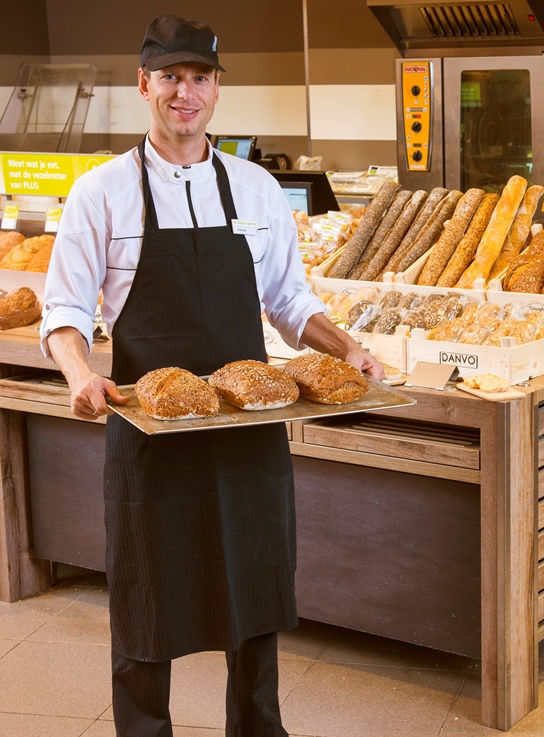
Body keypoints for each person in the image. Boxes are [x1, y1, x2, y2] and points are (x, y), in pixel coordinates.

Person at [40, 15, 382, 737]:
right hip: (149, 430)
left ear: (218, 89)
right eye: (171, 77)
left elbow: (290, 301)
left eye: (199, 78)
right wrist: (79, 371)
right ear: (145, 85)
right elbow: (64, 309)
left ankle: (258, 728)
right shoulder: (100, 193)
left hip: (248, 434)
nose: (185, 93)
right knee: (145, 594)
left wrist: (344, 346)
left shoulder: (257, 191)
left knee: (255, 587)